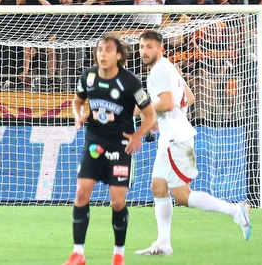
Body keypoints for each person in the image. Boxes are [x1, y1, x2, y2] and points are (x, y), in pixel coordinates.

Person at [134, 30, 251, 256]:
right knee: (158, 188)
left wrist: (140, 108)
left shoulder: (159, 70)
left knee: (182, 196)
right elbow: (189, 96)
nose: (144, 51)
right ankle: (164, 243)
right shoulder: (170, 67)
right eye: (141, 47)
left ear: (160, 49)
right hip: (172, 135)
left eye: (149, 47)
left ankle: (237, 211)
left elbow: (167, 104)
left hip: (174, 139)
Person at [64, 33, 156, 265]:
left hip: (120, 146)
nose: (102, 54)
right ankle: (78, 253)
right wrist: (78, 116)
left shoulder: (130, 82)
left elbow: (150, 114)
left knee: (117, 201)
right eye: (99, 50)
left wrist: (137, 136)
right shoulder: (88, 77)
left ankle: (118, 254)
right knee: (81, 193)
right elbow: (77, 101)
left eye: (107, 50)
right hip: (95, 142)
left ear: (118, 55)